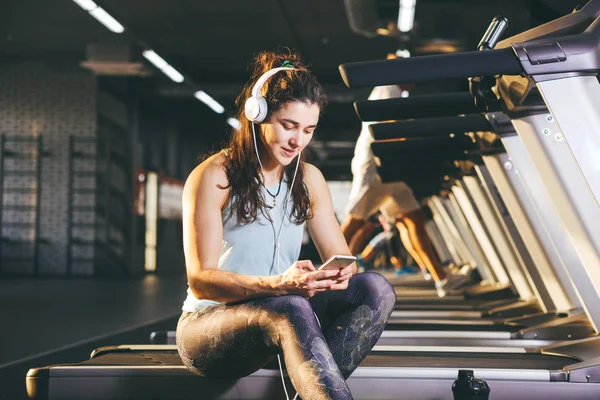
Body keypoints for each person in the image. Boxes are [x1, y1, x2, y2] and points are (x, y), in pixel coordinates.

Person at [176, 49, 396, 400]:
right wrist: (279, 285)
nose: (298, 141)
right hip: (208, 329)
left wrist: (333, 276)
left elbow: (341, 256)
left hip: (280, 317)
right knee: (290, 306)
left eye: (308, 130)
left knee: (375, 288)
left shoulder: (308, 179)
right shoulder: (215, 176)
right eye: (288, 126)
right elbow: (202, 282)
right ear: (257, 115)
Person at [340, 54, 471, 297]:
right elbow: (388, 128)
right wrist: (425, 138)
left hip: (393, 166)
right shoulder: (387, 90)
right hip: (376, 165)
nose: (415, 79)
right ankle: (323, 274)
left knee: (413, 220)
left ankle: (441, 279)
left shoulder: (398, 93)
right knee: (355, 221)